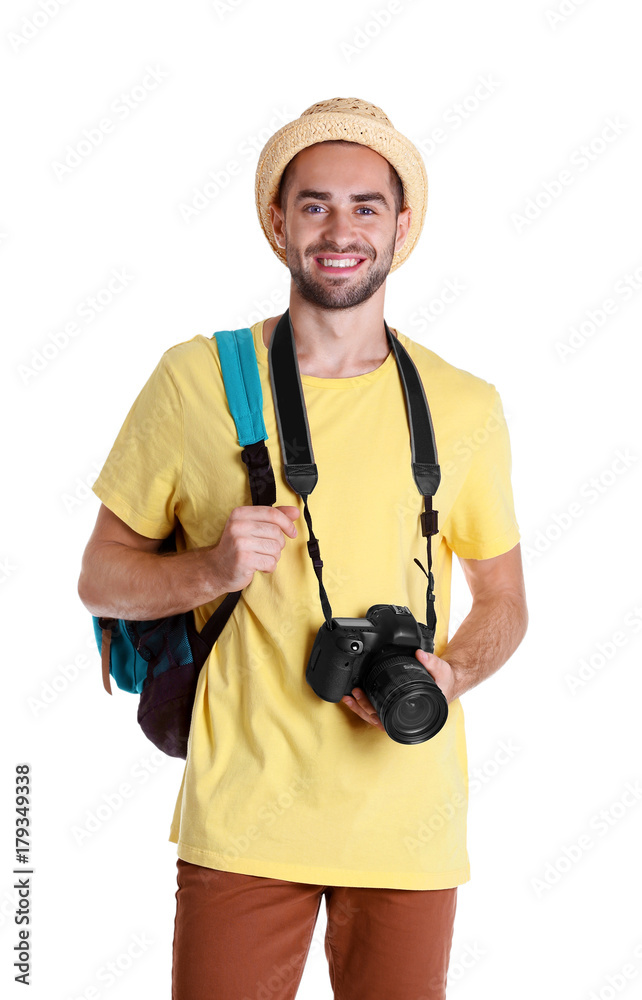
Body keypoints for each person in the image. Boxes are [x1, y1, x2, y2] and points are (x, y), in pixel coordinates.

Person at [78, 97, 528, 1000]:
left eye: (366, 206)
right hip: (243, 819)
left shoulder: (464, 403)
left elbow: (506, 605)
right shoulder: (198, 379)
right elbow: (100, 577)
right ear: (278, 220)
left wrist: (450, 676)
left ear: (401, 227)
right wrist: (209, 569)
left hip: (408, 816)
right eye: (314, 203)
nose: (340, 229)